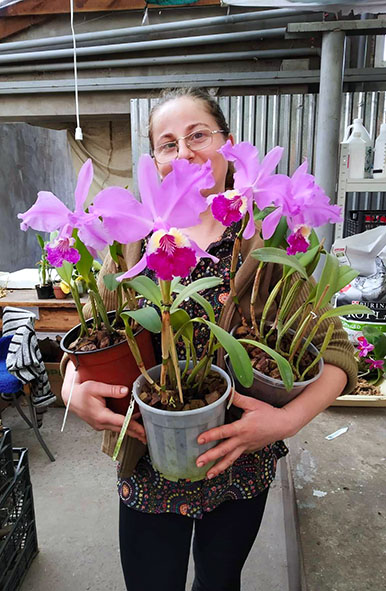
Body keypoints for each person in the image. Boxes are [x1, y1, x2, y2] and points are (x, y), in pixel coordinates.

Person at [61, 88, 357, 591]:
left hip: (241, 454)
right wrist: (72, 390)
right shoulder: (131, 243)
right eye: (167, 143)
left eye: (198, 135)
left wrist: (284, 421)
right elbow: (95, 333)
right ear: (154, 161)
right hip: (148, 458)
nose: (184, 152)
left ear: (229, 145)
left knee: (220, 581)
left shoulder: (268, 247)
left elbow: (337, 355)